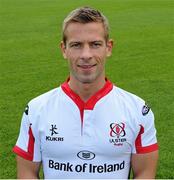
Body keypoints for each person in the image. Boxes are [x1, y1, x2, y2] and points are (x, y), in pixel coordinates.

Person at [13, 6, 159, 179]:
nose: (86, 54)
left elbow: (145, 173)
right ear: (64, 49)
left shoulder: (138, 109)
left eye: (95, 44)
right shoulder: (36, 109)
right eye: (76, 45)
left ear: (109, 47)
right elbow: (27, 173)